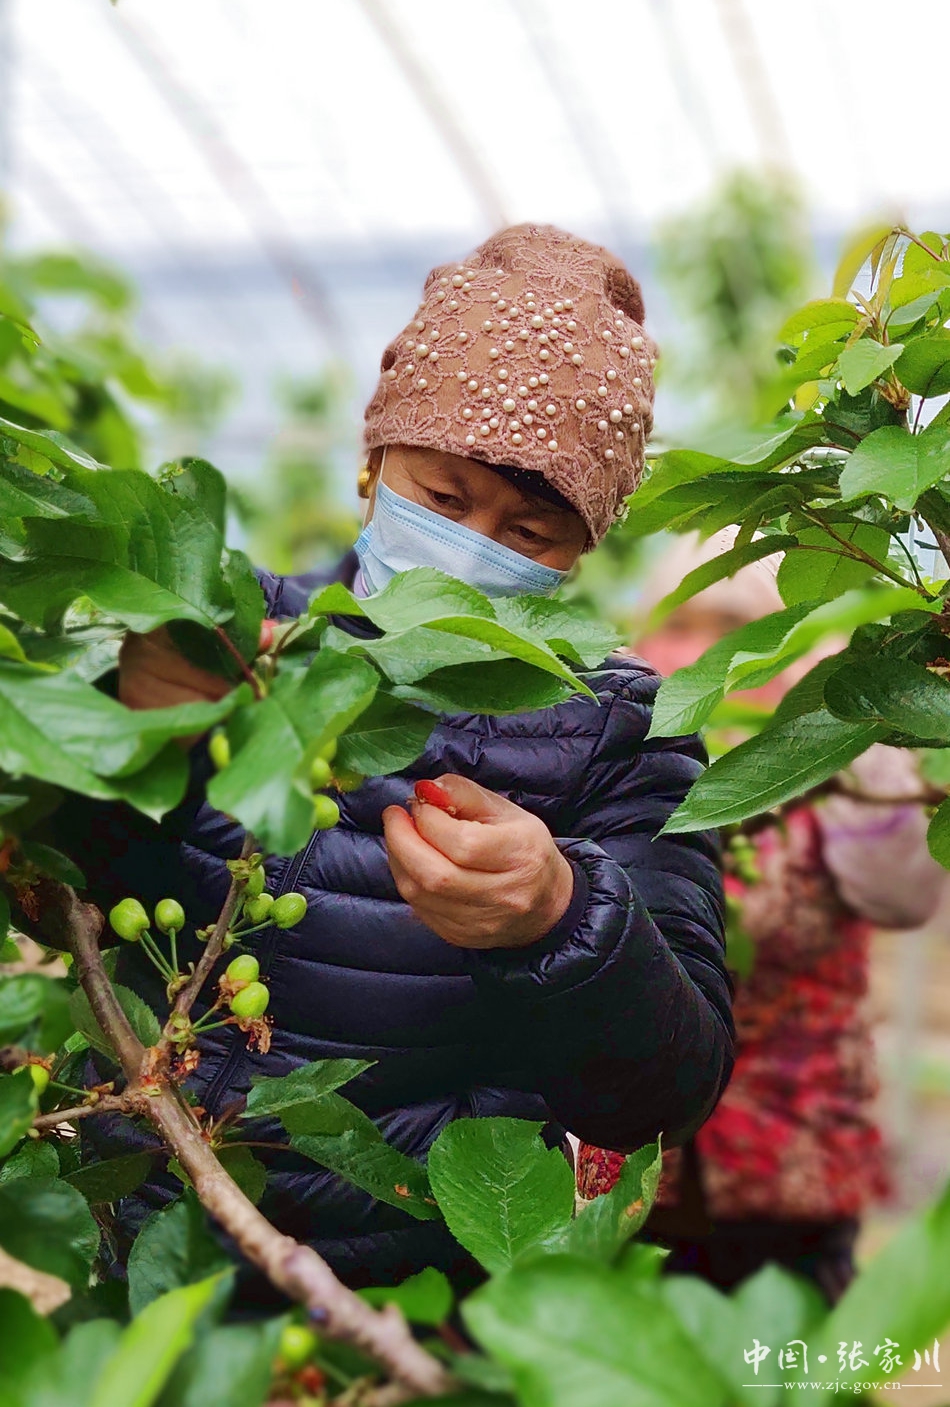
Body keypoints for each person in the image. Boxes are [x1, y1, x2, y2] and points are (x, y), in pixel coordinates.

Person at [64, 225, 733, 1296]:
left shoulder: (617, 731)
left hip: (410, 1277)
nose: (474, 550)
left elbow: (670, 1085)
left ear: (581, 549)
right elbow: (60, 880)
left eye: (531, 531)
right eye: (445, 499)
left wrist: (559, 914)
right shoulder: (229, 635)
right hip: (143, 1230)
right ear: (372, 466)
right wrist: (115, 726)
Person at [576, 532, 945, 1304]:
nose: (706, 657)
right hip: (630, 1180)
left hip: (789, 1173)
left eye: (737, 633)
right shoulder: (618, 776)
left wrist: (854, 725)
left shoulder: (830, 780)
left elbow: (902, 895)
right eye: (683, 625)